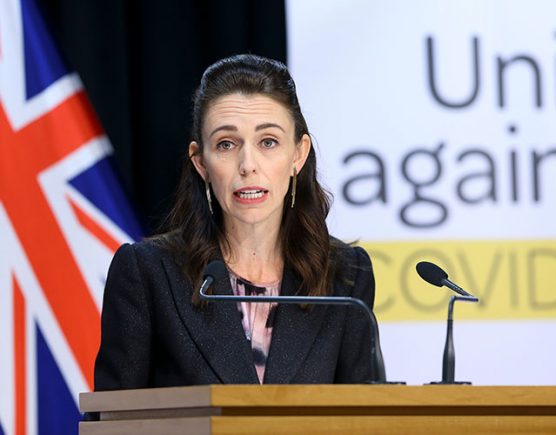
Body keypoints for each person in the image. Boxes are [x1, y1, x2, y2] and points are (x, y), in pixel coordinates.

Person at [94, 54, 378, 389]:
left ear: (297, 155)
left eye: (268, 142)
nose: (248, 165)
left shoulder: (345, 278)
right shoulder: (147, 273)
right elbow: (112, 417)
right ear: (201, 162)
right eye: (226, 144)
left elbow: (362, 417)